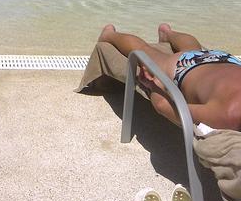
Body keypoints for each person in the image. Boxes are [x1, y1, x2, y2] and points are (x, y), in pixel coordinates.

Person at [99, 23, 241, 130]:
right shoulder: (228, 116)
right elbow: (163, 106)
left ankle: (167, 32)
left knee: (193, 50)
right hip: (184, 68)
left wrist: (153, 87)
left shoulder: (229, 114)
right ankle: (109, 35)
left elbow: (165, 107)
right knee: (144, 50)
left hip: (226, 59)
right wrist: (152, 85)